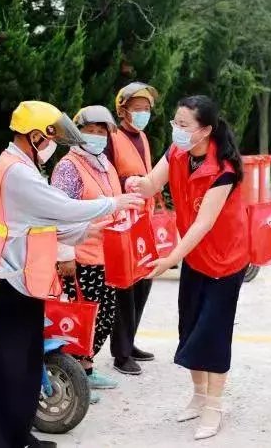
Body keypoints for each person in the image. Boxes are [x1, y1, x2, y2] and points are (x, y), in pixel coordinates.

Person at [0, 101, 144, 448]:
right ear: (36, 137)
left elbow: (43, 224)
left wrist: (83, 233)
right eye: (50, 138)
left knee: (24, 366)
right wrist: (114, 204)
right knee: (3, 370)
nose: (53, 146)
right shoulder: (15, 171)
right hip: (5, 286)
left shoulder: (25, 167)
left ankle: (20, 436)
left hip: (24, 285)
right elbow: (61, 208)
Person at [127, 95, 249, 441]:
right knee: (190, 325)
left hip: (225, 260)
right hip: (195, 256)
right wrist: (138, 184)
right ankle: (197, 397)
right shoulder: (177, 152)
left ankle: (214, 405)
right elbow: (153, 184)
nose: (176, 131)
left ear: (206, 130)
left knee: (213, 331)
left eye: (184, 126)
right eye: (174, 124)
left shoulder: (223, 170)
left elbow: (203, 224)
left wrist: (170, 258)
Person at [51, 105, 123, 400]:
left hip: (107, 255)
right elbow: (59, 213)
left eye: (100, 131)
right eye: (89, 131)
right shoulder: (69, 167)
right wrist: (64, 253)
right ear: (77, 133)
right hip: (81, 256)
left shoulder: (104, 164)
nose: (95, 137)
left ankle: (87, 369)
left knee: (103, 315)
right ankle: (74, 376)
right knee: (81, 318)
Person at [103, 81, 159, 375]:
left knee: (143, 281)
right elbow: (109, 174)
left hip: (143, 220)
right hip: (124, 220)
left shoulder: (143, 137)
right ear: (122, 109)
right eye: (138, 108)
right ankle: (121, 354)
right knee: (125, 286)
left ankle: (130, 340)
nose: (143, 113)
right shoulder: (113, 138)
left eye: (147, 108)